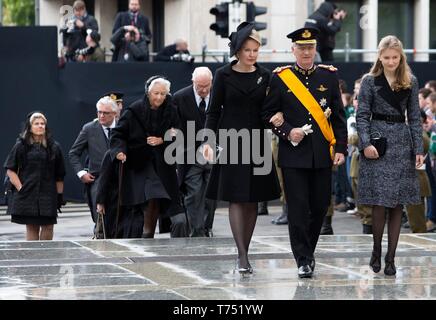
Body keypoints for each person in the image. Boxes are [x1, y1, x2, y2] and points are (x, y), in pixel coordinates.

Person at [261, 27, 347, 278]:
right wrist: (288, 131)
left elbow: (339, 117)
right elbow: (267, 114)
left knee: (320, 206)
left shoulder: (329, 76)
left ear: (315, 49)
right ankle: (303, 259)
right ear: (294, 50)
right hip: (293, 154)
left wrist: (340, 147)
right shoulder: (280, 78)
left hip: (322, 153)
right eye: (302, 47)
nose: (307, 52)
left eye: (310, 47)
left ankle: (307, 250)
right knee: (298, 208)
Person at [202, 22, 281, 274]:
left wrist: (277, 117)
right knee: (237, 197)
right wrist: (207, 141)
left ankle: (244, 250)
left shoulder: (266, 76)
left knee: (253, 199)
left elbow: (269, 110)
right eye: (247, 50)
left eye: (255, 50)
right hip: (231, 140)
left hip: (257, 140)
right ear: (237, 50)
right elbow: (213, 111)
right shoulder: (223, 74)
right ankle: (242, 255)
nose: (251, 54)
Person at [356, 35, 423, 276]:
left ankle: (391, 258)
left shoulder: (410, 81)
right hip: (377, 142)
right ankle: (376, 250)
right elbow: (361, 115)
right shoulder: (369, 81)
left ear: (401, 57)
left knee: (397, 203)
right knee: (379, 203)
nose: (391, 61)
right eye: (386, 57)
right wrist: (365, 144)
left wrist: (418, 150)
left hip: (402, 144)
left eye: (395, 57)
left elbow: (415, 117)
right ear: (379, 57)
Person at [109, 76, 188, 238]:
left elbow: (179, 134)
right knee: (150, 199)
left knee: (173, 211)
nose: (159, 97)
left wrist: (163, 139)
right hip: (141, 164)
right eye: (156, 93)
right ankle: (146, 236)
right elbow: (118, 134)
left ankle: (170, 241)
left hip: (164, 166)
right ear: (148, 92)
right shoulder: (135, 110)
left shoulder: (171, 110)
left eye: (163, 94)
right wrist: (119, 151)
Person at [4, 112, 66, 240]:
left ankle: (45, 255)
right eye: (36, 124)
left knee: (48, 226)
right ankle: (33, 257)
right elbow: (10, 169)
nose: (40, 126)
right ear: (30, 127)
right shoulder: (21, 145)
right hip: (28, 193)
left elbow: (60, 175)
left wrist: (59, 196)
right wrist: (20, 188)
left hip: (48, 194)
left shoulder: (54, 147)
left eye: (43, 124)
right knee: (32, 226)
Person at [173, 67, 217, 237]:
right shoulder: (180, 97)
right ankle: (197, 230)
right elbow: (175, 125)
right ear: (193, 82)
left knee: (211, 195)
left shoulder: (218, 96)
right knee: (194, 193)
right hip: (190, 155)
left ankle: (207, 227)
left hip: (213, 153)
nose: (204, 90)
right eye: (200, 86)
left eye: (207, 85)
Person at [69, 96, 117, 231]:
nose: (101, 116)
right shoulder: (89, 129)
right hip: (98, 179)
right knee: (101, 219)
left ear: (114, 113)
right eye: (99, 112)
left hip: (120, 179)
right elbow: (73, 153)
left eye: (105, 113)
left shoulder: (123, 127)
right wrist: (81, 173)